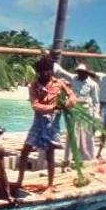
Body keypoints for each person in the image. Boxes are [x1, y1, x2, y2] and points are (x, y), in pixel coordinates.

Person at [17, 56, 77, 195]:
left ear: (51, 70)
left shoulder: (59, 83)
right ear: (38, 71)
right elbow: (35, 106)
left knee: (50, 153)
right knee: (26, 149)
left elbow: (72, 96)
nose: (46, 73)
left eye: (48, 70)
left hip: (53, 122)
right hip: (38, 121)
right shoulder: (33, 86)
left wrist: (68, 103)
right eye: (43, 71)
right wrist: (54, 107)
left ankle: (50, 185)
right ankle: (19, 181)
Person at [54, 62, 100, 164]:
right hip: (74, 109)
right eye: (78, 72)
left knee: (87, 135)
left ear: (86, 73)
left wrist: (96, 114)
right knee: (72, 134)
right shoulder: (73, 79)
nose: (80, 74)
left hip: (86, 111)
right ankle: (68, 159)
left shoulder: (93, 84)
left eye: (82, 72)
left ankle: (87, 158)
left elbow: (96, 101)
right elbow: (62, 72)